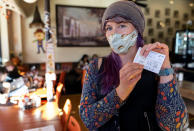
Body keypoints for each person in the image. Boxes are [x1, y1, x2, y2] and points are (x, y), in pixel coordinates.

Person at [79, 1, 188, 131]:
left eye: (122, 25)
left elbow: (174, 125)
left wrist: (165, 70)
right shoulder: (96, 67)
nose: (114, 33)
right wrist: (121, 92)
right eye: (109, 27)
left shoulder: (154, 65)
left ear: (137, 29)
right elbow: (88, 120)